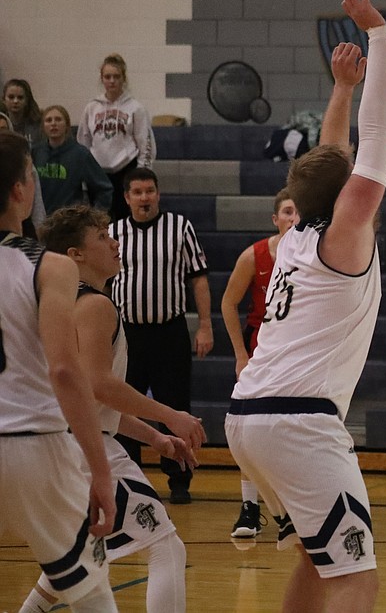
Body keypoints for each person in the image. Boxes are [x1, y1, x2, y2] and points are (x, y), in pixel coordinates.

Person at [226, 0, 386, 612]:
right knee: (356, 576)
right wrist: (378, 36)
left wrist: (342, 88)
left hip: (248, 417)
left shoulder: (297, 234)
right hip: (298, 419)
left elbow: (335, 156)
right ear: (347, 194)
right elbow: (372, 144)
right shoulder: (345, 233)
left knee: (317, 560)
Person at [23, 204, 204, 613]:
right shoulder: (94, 305)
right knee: (166, 548)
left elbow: (90, 398)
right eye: (102, 237)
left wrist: (155, 437)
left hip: (59, 442)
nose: (115, 242)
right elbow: (99, 385)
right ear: (75, 255)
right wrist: (170, 414)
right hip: (85, 448)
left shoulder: (59, 304)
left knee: (68, 569)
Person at [0, 131, 118, 612]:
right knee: (90, 594)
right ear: (20, 190)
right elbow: (66, 371)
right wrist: (100, 469)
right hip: (33, 445)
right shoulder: (47, 266)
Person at [109, 165, 212, 504]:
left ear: (158, 194)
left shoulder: (179, 227)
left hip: (170, 332)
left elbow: (198, 278)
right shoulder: (113, 233)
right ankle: (130, 481)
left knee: (175, 406)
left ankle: (179, 479)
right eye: (137, 192)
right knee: (123, 409)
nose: (144, 197)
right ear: (126, 198)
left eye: (149, 191)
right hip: (127, 335)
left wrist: (206, 326)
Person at [220, 188, 299, 539]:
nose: (293, 219)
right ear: (275, 219)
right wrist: (240, 354)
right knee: (249, 428)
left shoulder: (313, 255)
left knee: (290, 431)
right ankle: (250, 507)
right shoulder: (254, 256)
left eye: (298, 212)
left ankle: (292, 508)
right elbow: (228, 303)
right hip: (261, 351)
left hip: (297, 353)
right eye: (286, 212)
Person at [77, 53, 155, 220]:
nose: (112, 81)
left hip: (125, 170)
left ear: (123, 79)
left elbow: (146, 144)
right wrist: (83, 176)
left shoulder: (135, 108)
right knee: (98, 221)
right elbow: (83, 143)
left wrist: (142, 174)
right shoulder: (92, 107)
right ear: (102, 79)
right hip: (97, 173)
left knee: (125, 219)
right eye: (107, 77)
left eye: (116, 76)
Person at [34, 104, 114, 214]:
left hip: (69, 221)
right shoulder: (35, 152)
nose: (53, 124)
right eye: (48, 120)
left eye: (58, 119)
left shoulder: (80, 154)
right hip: (41, 219)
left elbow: (104, 188)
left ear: (67, 125)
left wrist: (95, 217)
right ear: (43, 127)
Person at [3, 78, 43, 145]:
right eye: (11, 97)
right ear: (4, 100)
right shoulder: (2, 124)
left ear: (26, 101)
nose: (15, 101)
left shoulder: (37, 126)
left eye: (20, 97)